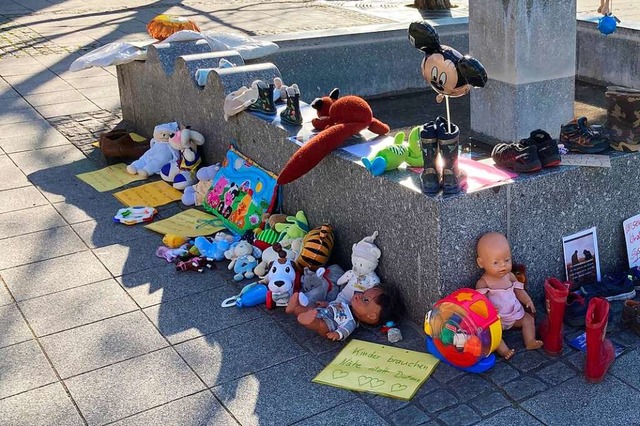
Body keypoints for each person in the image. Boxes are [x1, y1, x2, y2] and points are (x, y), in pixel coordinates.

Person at [475, 232, 543, 359]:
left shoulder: (510, 276)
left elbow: (519, 291)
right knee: (492, 334)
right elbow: (480, 302)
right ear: (481, 263)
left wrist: (528, 300)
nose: (503, 265)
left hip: (514, 314)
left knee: (528, 320)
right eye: (496, 262)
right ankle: (504, 350)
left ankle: (530, 341)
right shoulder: (483, 282)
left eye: (507, 260)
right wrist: (488, 309)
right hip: (497, 319)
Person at [285, 286, 398, 341]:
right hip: (324, 312)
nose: (358, 295)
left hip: (330, 325)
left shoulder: (351, 321)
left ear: (372, 316)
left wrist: (337, 334)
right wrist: (326, 304)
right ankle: (295, 308)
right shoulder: (345, 305)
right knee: (309, 309)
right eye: (363, 293)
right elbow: (334, 306)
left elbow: (345, 330)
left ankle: (308, 320)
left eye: (365, 300)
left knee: (319, 324)